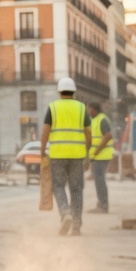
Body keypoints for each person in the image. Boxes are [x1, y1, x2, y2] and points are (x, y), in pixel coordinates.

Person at [40, 78, 91, 236]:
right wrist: (87, 152)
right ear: (74, 91)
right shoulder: (82, 108)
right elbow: (89, 133)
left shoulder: (53, 107)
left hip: (57, 155)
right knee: (76, 189)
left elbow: (45, 132)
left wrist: (42, 151)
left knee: (58, 186)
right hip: (77, 155)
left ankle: (65, 213)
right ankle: (76, 226)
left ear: (59, 92)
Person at [86, 102, 113, 214]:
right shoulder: (94, 120)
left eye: (90, 109)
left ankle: (103, 205)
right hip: (97, 156)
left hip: (102, 155)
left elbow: (108, 136)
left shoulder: (102, 119)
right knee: (98, 180)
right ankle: (101, 204)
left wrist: (97, 151)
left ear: (95, 110)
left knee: (99, 180)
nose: (89, 111)